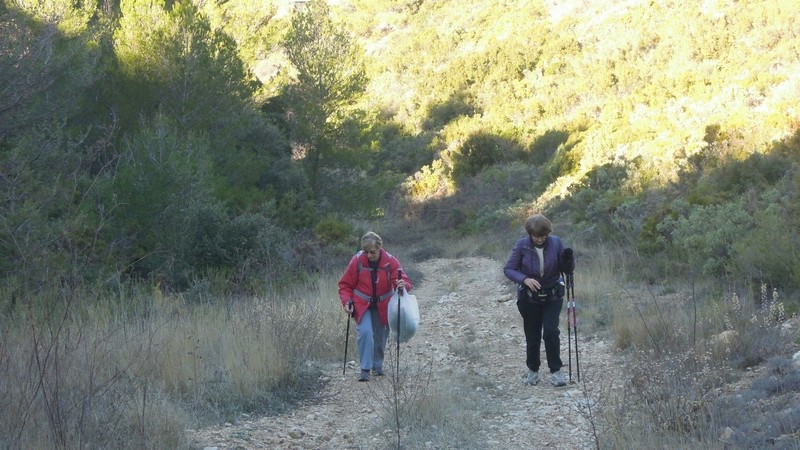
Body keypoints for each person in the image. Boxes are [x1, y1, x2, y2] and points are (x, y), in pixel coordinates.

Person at [503, 214, 571, 387]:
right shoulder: (522, 245)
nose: (540, 239)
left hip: (553, 295)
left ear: (548, 233)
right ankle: (533, 371)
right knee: (532, 335)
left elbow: (566, 269)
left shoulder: (556, 242)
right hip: (529, 298)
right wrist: (524, 279)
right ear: (530, 234)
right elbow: (509, 269)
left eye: (543, 236)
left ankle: (556, 372)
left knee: (550, 331)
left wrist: (569, 261)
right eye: (536, 236)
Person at [339, 232, 412, 382]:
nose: (369, 255)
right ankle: (365, 369)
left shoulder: (390, 262)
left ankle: (377, 365)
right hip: (361, 304)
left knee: (380, 335)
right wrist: (347, 302)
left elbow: (403, 281)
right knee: (365, 332)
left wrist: (401, 285)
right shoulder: (357, 261)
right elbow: (345, 285)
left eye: (372, 252)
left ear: (380, 249)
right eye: (366, 252)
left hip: (382, 304)